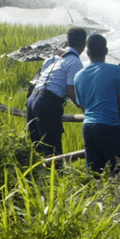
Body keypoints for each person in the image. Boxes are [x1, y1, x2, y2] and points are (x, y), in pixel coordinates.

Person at [73, 34, 120, 174]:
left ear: (87, 53)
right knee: (119, 171)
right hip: (110, 127)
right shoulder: (116, 71)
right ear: (106, 51)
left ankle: (92, 195)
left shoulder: (78, 76)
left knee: (93, 173)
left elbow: (83, 107)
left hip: (88, 127)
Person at [27, 27, 87, 156]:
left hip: (32, 101)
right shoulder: (75, 62)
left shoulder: (52, 58)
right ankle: (55, 174)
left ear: (66, 42)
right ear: (84, 44)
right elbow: (71, 91)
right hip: (47, 104)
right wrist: (85, 109)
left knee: (37, 149)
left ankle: (38, 175)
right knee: (53, 151)